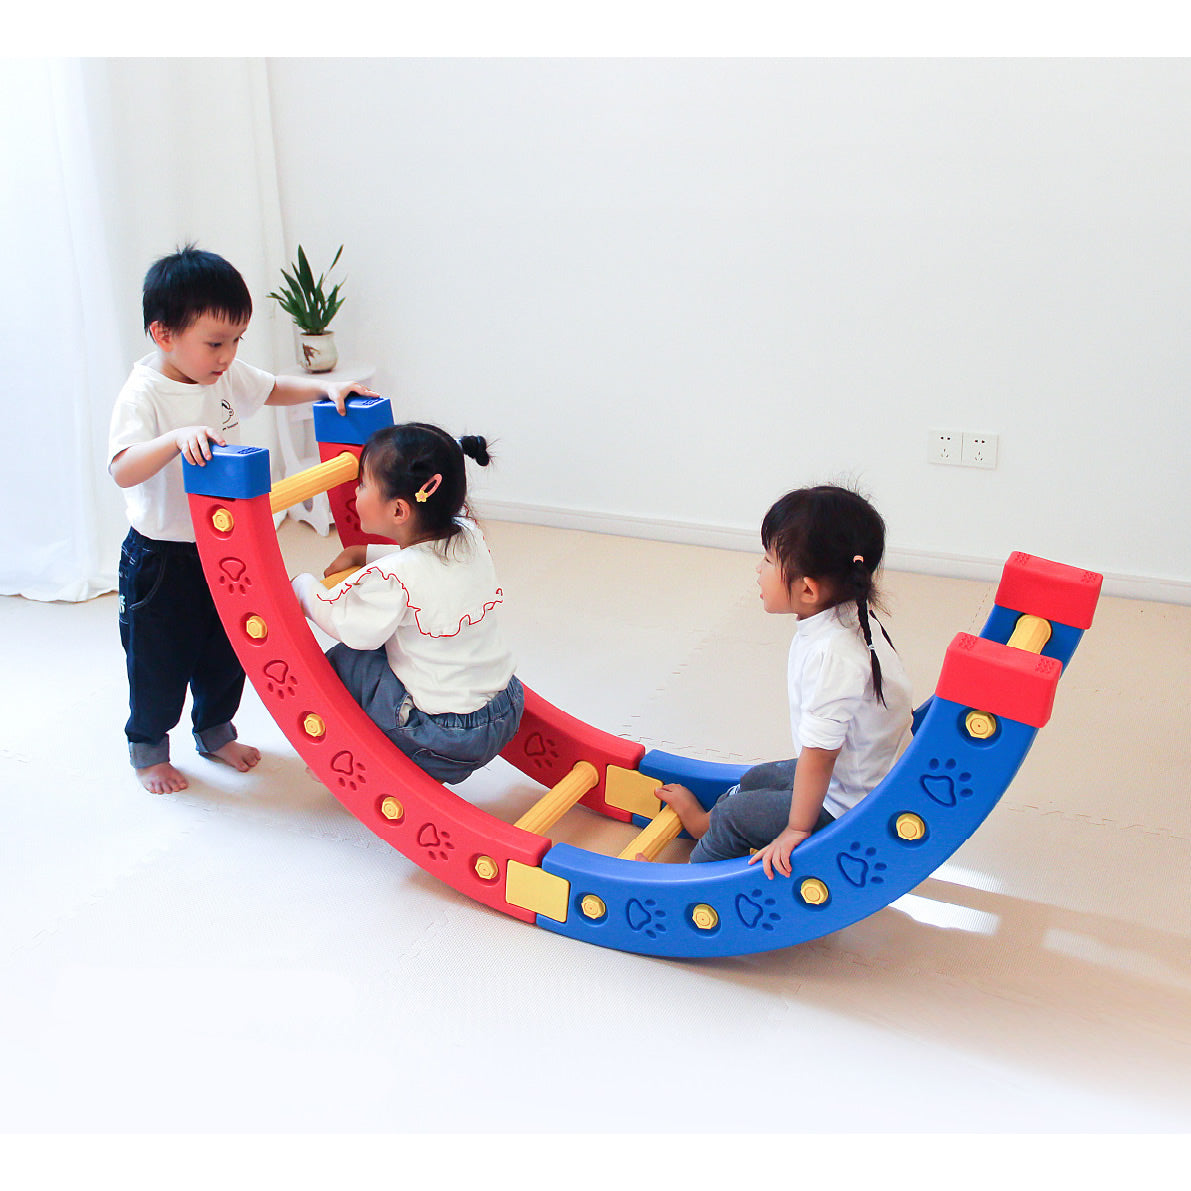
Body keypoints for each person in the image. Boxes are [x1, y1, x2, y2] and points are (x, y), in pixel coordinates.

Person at [109, 244, 376, 794]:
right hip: (163, 558)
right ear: (163, 334)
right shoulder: (143, 394)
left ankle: (214, 731)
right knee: (160, 659)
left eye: (236, 341)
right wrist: (173, 439)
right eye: (215, 343)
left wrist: (325, 388)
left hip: (228, 550)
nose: (228, 355)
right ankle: (149, 748)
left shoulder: (223, 374)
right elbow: (123, 468)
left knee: (230, 646)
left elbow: (272, 387)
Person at [657, 485, 913, 879]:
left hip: (848, 807)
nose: (758, 570)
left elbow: (821, 756)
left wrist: (797, 830)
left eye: (768, 560)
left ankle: (689, 880)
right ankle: (706, 826)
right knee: (756, 779)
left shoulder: (834, 656)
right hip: (856, 776)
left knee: (736, 815)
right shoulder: (851, 614)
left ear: (807, 589)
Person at [291, 422, 524, 785]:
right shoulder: (469, 534)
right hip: (507, 707)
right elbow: (426, 561)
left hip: (445, 738)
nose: (355, 491)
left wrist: (303, 588)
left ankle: (339, 750)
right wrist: (365, 552)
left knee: (350, 661)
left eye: (363, 484)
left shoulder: (392, 578)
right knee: (391, 645)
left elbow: (350, 626)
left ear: (399, 511)